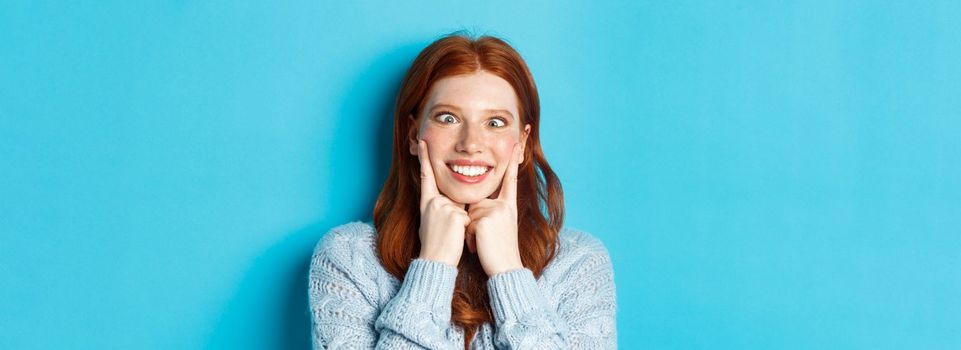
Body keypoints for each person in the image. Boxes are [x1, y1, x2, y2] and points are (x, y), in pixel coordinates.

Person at [309, 33, 617, 349]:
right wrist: (433, 265)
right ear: (414, 133)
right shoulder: (349, 256)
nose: (470, 144)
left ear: (522, 142)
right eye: (448, 118)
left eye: (495, 123)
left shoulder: (578, 263)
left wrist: (509, 271)